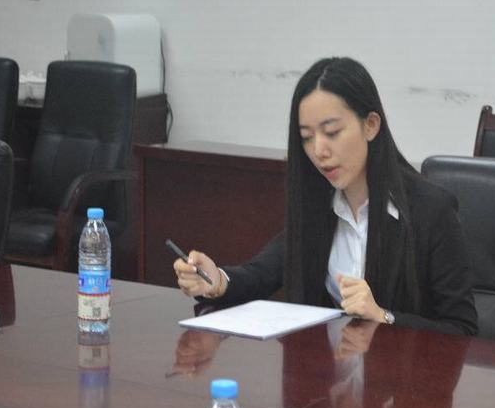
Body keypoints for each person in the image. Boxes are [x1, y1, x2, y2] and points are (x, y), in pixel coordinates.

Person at [174, 57, 477, 335]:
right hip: (327, 373)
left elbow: (462, 330)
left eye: (331, 132)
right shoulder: (319, 206)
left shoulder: (430, 211)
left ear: (370, 125)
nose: (319, 150)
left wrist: (383, 317)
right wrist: (217, 281)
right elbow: (262, 274)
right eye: (307, 137)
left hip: (401, 377)